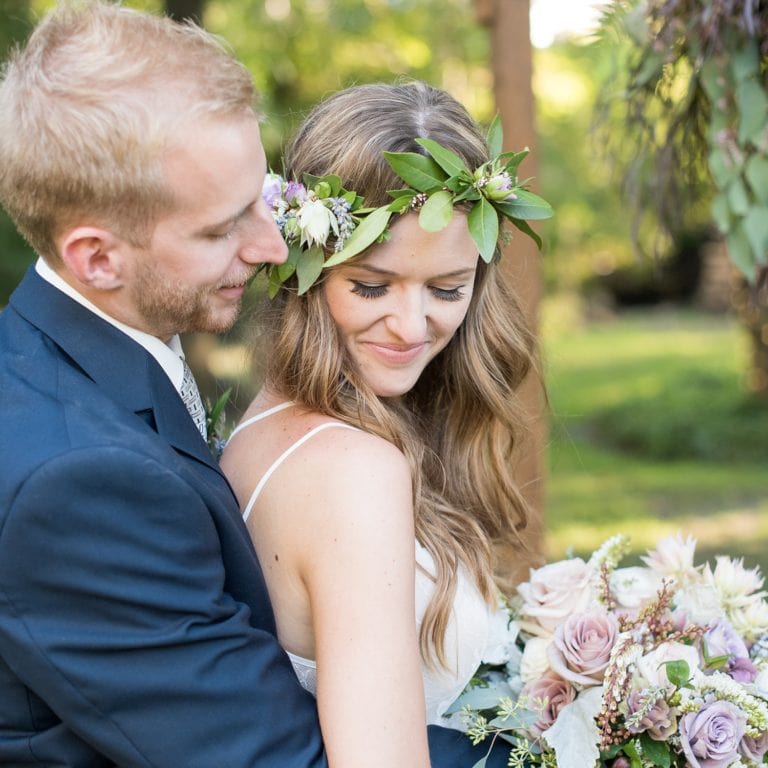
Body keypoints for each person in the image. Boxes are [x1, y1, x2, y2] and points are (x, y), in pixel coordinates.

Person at [0, 4, 510, 766]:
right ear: (97, 259)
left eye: (260, 199)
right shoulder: (79, 481)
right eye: (222, 227)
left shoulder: (90, 374)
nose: (275, 245)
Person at [222, 81, 551, 768]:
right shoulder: (351, 471)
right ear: (305, 267)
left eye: (447, 289)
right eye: (371, 286)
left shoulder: (274, 422)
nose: (409, 327)